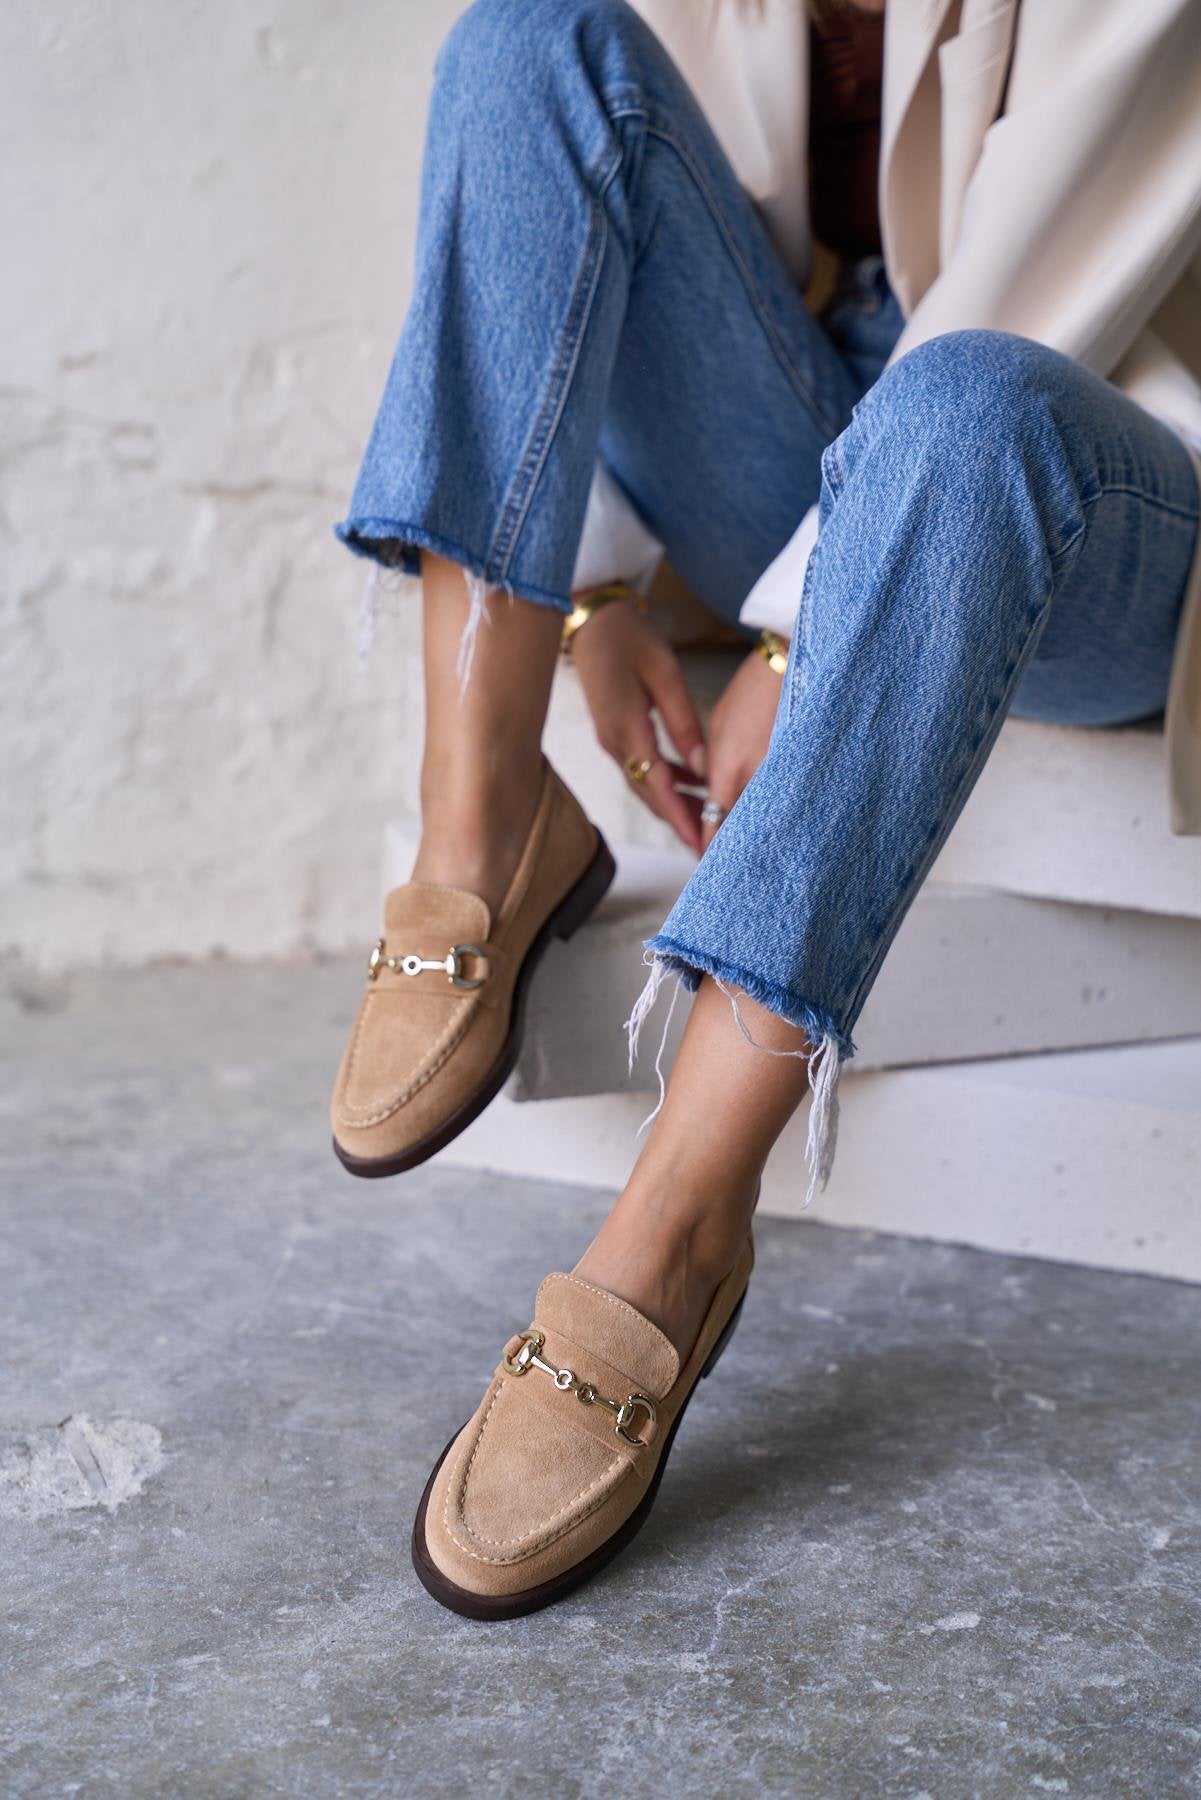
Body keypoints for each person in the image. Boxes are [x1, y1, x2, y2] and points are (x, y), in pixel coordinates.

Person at [329, 0, 1201, 1617]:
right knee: (529, 42)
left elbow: (1047, 291)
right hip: (813, 412)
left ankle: (674, 1232)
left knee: (964, 412)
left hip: (1100, 462)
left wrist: (795, 640)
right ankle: (483, 827)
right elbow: (592, 227)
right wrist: (599, 595)